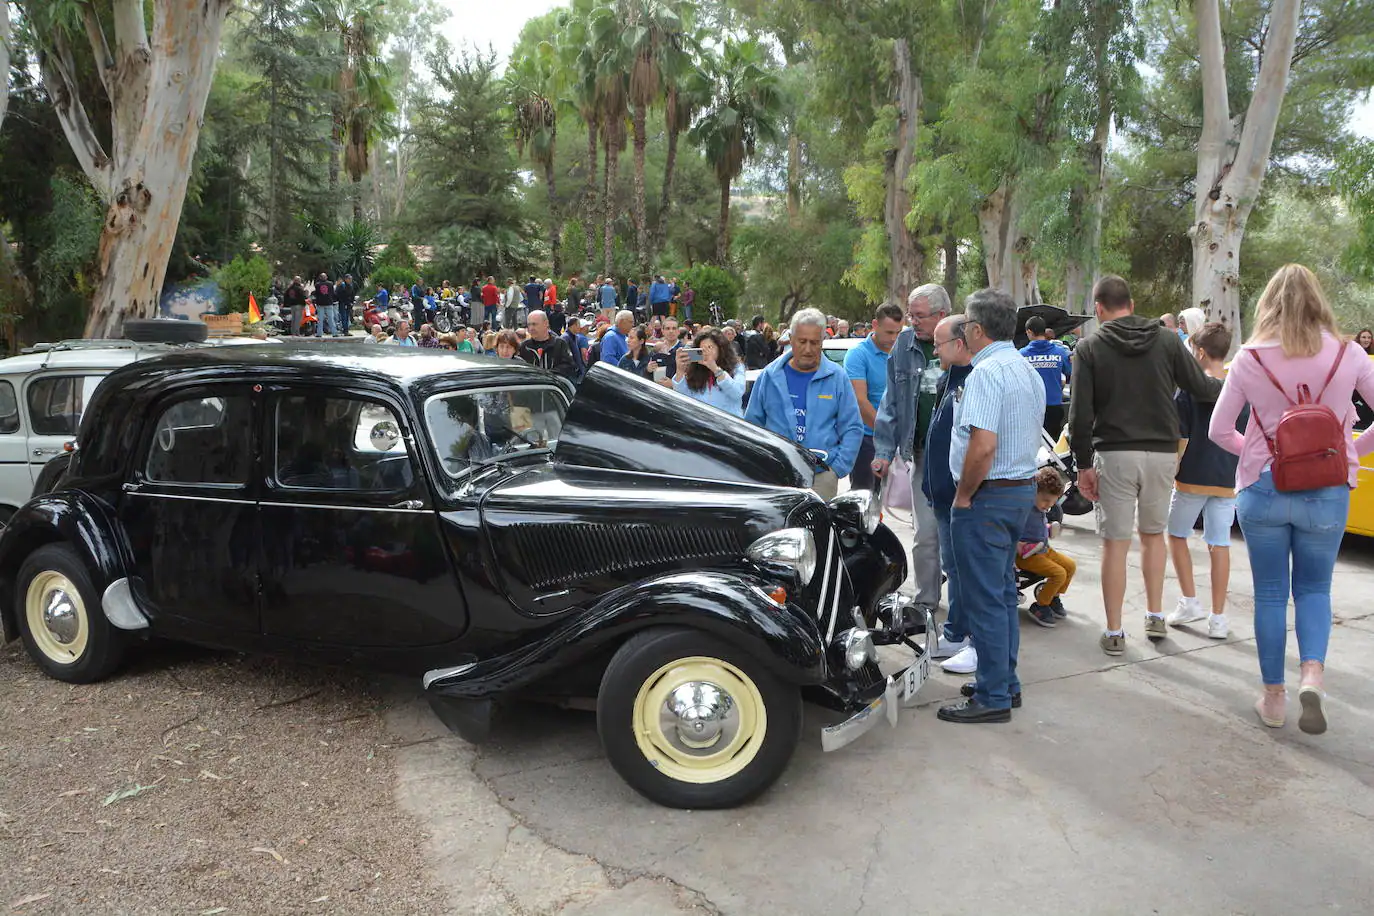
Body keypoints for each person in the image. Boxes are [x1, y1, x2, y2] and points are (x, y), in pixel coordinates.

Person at [1209, 264, 1374, 734]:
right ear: (1320, 301)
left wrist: (1261, 457)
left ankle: (1274, 698)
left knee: (1270, 593)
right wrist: (1349, 452)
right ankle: (1313, 674)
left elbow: (1219, 431)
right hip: (1326, 491)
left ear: (1269, 303)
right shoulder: (1349, 354)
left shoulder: (1250, 358)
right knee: (1315, 590)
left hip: (1263, 490)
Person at [1069, 275, 1222, 656]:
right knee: (1154, 536)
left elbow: (1080, 414)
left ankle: (1115, 630)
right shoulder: (1169, 340)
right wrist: (1237, 386)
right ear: (1133, 305)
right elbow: (1201, 389)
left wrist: (1083, 465)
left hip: (1115, 454)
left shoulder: (1089, 348)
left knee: (1115, 544)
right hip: (1161, 454)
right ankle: (1154, 613)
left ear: (1099, 309)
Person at [937, 289, 1045, 724]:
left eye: (965, 324)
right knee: (1000, 594)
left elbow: (982, 447)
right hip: (1017, 491)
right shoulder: (1024, 369)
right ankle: (1003, 683)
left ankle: (993, 695)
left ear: (977, 330)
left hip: (989, 494)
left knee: (984, 597)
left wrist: (964, 495)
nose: (962, 330)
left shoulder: (986, 373)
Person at [870, 283, 952, 618]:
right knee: (925, 534)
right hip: (920, 455)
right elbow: (890, 403)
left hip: (959, 458)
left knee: (957, 535)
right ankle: (926, 601)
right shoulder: (903, 345)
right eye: (910, 315)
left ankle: (965, 605)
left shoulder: (964, 341)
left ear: (941, 315)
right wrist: (884, 451)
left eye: (919, 316)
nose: (912, 322)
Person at [1166, 321, 1243, 640]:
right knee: (1219, 543)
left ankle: (1189, 600)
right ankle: (1218, 618)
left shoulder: (1188, 390)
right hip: (1227, 478)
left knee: (1176, 533)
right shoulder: (1240, 388)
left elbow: (1180, 439)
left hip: (1191, 478)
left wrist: (1170, 472)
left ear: (1199, 351)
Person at [746, 308, 864, 500]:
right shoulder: (769, 376)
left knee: (816, 529)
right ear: (790, 339)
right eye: (802, 342)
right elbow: (753, 425)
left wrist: (836, 469)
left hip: (821, 477)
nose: (808, 349)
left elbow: (852, 427)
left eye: (814, 342)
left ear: (822, 341)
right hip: (775, 476)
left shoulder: (837, 377)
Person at [919, 315, 978, 673]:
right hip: (941, 493)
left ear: (959, 343)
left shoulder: (973, 381)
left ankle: (965, 634)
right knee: (952, 566)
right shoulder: (946, 379)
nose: (934, 349)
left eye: (940, 343)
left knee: (962, 568)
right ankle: (956, 632)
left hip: (960, 494)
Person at [845, 303, 904, 491]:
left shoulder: (903, 353)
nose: (893, 338)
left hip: (900, 438)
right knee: (865, 496)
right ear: (875, 325)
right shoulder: (858, 354)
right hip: (868, 439)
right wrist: (886, 435)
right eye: (889, 332)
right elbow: (861, 402)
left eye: (898, 332)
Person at [1015, 466, 1076, 628]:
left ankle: (1053, 596)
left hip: (1043, 549)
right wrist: (1017, 544)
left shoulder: (1040, 507)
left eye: (1052, 502)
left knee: (1070, 566)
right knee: (1059, 573)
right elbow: (1010, 528)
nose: (1048, 505)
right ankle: (1040, 606)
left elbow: (1036, 527)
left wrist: (1047, 529)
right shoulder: (1024, 508)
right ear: (1034, 491)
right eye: (1045, 500)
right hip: (1027, 555)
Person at [1020, 315, 1073, 440]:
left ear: (1029, 332)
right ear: (1045, 331)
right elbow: (1070, 374)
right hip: (1054, 407)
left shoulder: (1021, 355)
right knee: (1053, 448)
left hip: (1030, 409)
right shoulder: (1060, 353)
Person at [672, 329, 745, 416]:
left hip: (728, 423)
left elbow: (737, 392)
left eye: (710, 347)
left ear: (721, 349)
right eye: (702, 349)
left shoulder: (736, 367)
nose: (706, 352)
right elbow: (682, 397)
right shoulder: (696, 368)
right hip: (702, 423)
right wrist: (680, 370)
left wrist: (715, 369)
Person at [519, 310, 577, 380]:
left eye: (534, 324)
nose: (531, 328)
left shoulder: (559, 344)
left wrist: (547, 374)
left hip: (553, 386)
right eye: (529, 325)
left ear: (546, 323)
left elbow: (569, 367)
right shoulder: (524, 347)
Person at [563, 316, 589, 382]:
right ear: (574, 325)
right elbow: (565, 355)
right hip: (570, 373)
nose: (579, 327)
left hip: (576, 371)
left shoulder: (574, 337)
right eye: (578, 325)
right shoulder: (566, 337)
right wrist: (575, 367)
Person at [312, 272, 335, 337]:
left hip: (320, 304)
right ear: (326, 277)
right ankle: (334, 333)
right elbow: (332, 293)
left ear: (320, 278)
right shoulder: (330, 284)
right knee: (331, 319)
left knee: (320, 319)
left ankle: (319, 333)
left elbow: (316, 293)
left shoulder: (317, 285)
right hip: (329, 303)